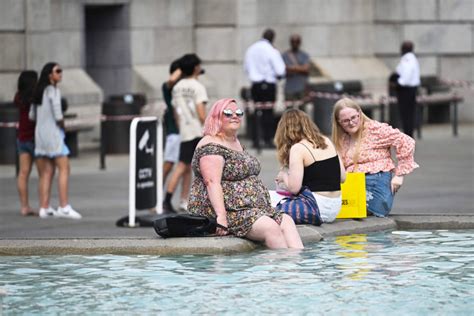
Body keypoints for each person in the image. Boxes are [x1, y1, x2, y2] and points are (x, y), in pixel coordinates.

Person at [187, 98, 303, 249]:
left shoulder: (234, 141)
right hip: (227, 211)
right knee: (271, 228)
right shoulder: (211, 144)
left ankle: (298, 268)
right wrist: (221, 217)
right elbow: (211, 182)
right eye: (228, 113)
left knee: (287, 221)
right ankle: (281, 269)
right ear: (216, 117)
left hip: (251, 209)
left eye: (239, 113)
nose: (235, 116)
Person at [331, 98, 419, 217]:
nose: (351, 123)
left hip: (375, 181)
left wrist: (399, 175)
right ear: (338, 122)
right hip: (352, 185)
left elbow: (406, 142)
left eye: (354, 117)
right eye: (345, 121)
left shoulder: (374, 129)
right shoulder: (341, 139)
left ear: (360, 113)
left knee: (367, 220)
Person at [272, 109, 346, 223]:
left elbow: (294, 188)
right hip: (335, 208)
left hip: (315, 207)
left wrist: (284, 176)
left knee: (267, 199)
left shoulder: (298, 148)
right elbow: (342, 178)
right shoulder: (327, 141)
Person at [30, 62, 82, 219]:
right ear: (49, 75)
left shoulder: (38, 92)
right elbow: (58, 115)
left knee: (46, 172)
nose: (60, 73)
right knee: (64, 168)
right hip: (53, 135)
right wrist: (63, 126)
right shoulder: (53, 91)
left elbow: (31, 116)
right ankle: (64, 206)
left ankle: (44, 207)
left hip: (40, 135)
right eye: (57, 71)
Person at [163, 54, 208, 213]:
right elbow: (201, 113)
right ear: (196, 67)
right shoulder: (198, 87)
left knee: (187, 167)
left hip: (184, 129)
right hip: (196, 130)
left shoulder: (177, 87)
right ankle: (167, 199)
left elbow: (176, 112)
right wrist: (208, 127)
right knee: (183, 166)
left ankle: (183, 200)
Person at [244, 28, 286, 148]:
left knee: (256, 111)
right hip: (268, 84)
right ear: (272, 38)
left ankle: (255, 139)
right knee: (268, 113)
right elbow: (280, 70)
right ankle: (267, 139)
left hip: (255, 85)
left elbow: (246, 68)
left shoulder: (251, 49)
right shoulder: (272, 50)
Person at [161, 58, 191, 211]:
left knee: (188, 166)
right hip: (174, 133)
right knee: (169, 165)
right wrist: (180, 69)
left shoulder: (186, 87)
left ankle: (183, 200)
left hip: (187, 132)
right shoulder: (169, 88)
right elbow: (170, 81)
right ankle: (157, 198)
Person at [15, 70, 39, 216]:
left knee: (23, 173)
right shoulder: (35, 98)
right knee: (45, 173)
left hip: (22, 138)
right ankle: (44, 205)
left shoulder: (18, 97)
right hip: (35, 138)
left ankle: (24, 206)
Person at [395, 40, 420, 137]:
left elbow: (406, 75)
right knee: (409, 114)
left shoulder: (407, 59)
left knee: (406, 114)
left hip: (406, 89)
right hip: (411, 89)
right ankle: (408, 134)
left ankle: (408, 135)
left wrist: (398, 83)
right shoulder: (412, 58)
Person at [282, 34, 311, 106]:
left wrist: (291, 68)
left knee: (302, 110)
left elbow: (306, 69)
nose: (295, 43)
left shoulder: (304, 55)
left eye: (297, 42)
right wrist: (299, 68)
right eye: (293, 42)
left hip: (301, 87)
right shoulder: (285, 55)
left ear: (299, 43)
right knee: (289, 111)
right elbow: (283, 69)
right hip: (289, 88)